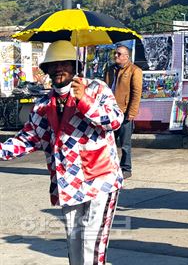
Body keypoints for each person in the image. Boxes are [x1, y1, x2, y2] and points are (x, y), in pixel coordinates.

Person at [0, 40, 124, 265]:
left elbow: (115, 121)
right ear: (46, 70)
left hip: (100, 180)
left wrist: (84, 100)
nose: (59, 69)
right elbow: (27, 139)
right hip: (68, 182)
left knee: (91, 245)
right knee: (75, 246)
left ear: (75, 66)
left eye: (65, 63)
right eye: (54, 65)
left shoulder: (96, 88)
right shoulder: (43, 105)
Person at [104, 44, 142, 179]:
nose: (116, 56)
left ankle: (126, 168)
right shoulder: (109, 69)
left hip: (125, 111)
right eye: (115, 53)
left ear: (127, 56)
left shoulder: (134, 70)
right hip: (110, 111)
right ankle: (110, 167)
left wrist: (132, 113)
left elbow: (136, 93)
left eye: (119, 54)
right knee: (109, 142)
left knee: (125, 144)